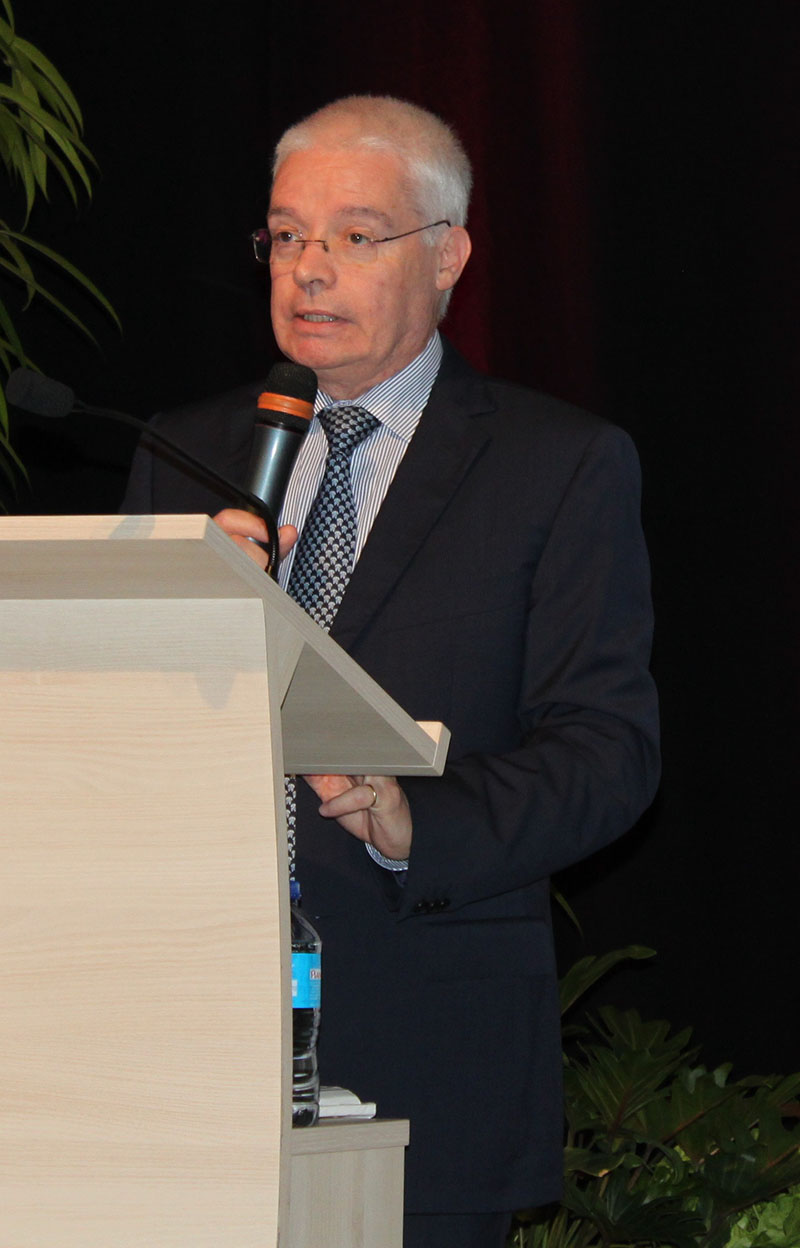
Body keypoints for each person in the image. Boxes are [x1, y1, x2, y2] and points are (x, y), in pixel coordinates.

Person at [122, 95, 660, 1248]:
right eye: (285, 236)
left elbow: (606, 753)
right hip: (180, 1048)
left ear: (447, 255)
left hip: (424, 1055)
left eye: (354, 236)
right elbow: (118, 743)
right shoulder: (187, 451)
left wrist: (421, 818)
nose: (308, 269)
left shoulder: (555, 466)